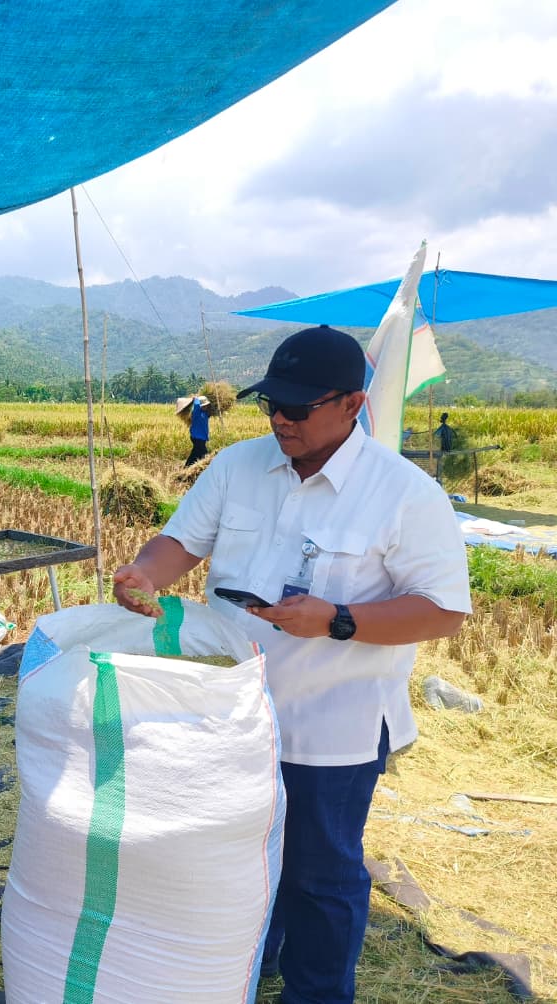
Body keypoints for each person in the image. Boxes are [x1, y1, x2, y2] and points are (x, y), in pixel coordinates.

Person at [112, 325, 470, 1004]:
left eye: (299, 408)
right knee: (235, 855)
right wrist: (146, 573)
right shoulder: (237, 467)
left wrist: (338, 619)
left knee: (319, 876)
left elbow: (443, 610)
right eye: (272, 403)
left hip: (331, 726)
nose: (281, 419)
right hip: (231, 711)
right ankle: (250, 966)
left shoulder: (403, 493)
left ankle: (316, 993)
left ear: (352, 404)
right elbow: (181, 541)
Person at [185, 393, 211, 466]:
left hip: (202, 438)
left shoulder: (205, 414)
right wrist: (196, 398)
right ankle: (207, 466)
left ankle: (187, 467)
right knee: (204, 454)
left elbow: (212, 410)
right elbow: (196, 403)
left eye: (206, 405)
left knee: (196, 454)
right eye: (203, 406)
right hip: (197, 437)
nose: (205, 407)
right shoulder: (196, 412)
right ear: (200, 406)